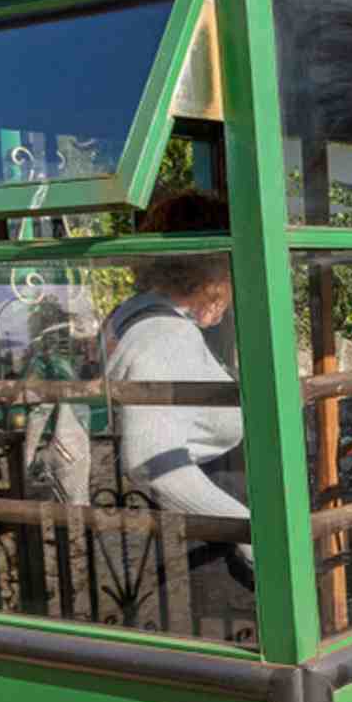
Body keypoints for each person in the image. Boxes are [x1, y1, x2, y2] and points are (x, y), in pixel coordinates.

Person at [104, 193, 253, 569]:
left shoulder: (132, 317)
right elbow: (151, 462)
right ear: (213, 270)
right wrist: (252, 535)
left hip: (200, 531)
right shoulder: (163, 335)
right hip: (213, 549)